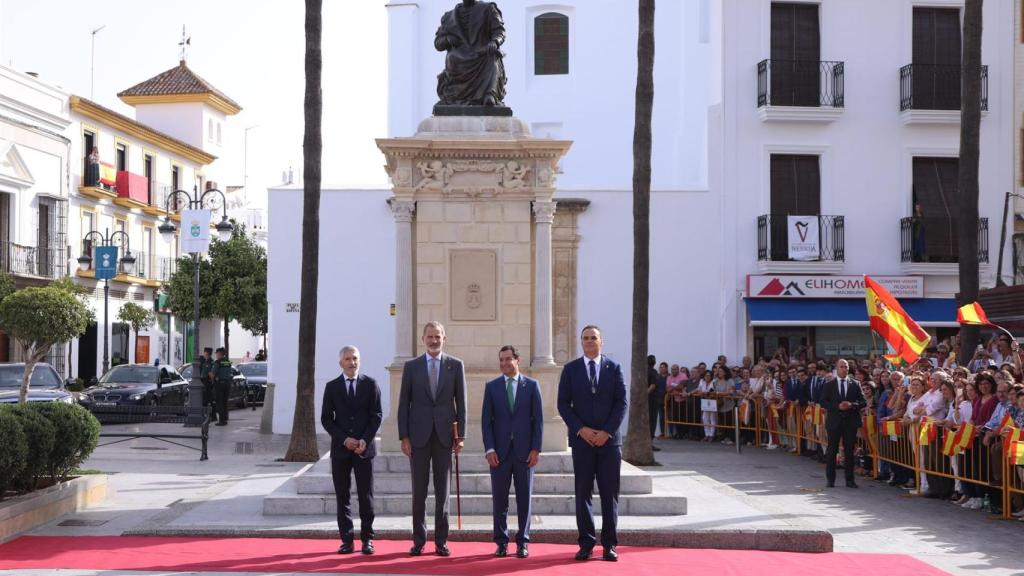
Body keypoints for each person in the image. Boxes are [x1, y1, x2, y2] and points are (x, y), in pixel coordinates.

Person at [557, 325, 626, 562]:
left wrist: (607, 432)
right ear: (581, 342)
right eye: (585, 338)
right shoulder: (571, 370)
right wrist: (581, 429)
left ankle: (609, 545)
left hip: (609, 444)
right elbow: (563, 404)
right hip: (583, 443)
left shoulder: (614, 368)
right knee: (583, 493)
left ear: (601, 342)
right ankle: (586, 543)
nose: (589, 341)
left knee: (609, 495)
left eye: (593, 338)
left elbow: (621, 403)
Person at [397, 322, 467, 557]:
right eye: (430, 336)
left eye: (438, 336)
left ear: (444, 338)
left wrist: (461, 436)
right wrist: (404, 436)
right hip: (418, 437)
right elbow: (403, 405)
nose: (434, 340)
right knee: (419, 491)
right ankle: (419, 540)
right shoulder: (412, 367)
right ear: (423, 338)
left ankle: (441, 541)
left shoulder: (456, 366)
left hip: (445, 437)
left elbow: (462, 405)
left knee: (442, 493)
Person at [481, 345, 542, 559]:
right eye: (501, 360)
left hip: (525, 453)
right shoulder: (492, 387)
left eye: (508, 359)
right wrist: (489, 449)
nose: (504, 363)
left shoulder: (532, 386)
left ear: (518, 360)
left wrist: (536, 448)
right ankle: (501, 542)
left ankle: (523, 542)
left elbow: (538, 421)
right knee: (500, 500)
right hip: (499, 453)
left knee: (524, 499)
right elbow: (486, 422)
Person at [321, 346, 382, 555]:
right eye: (347, 359)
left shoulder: (371, 384)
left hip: (364, 450)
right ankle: (347, 540)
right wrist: (344, 439)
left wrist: (365, 440)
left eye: (355, 358)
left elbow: (376, 416)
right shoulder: (331, 387)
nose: (352, 362)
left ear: (360, 361)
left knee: (366, 496)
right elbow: (326, 419)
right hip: (341, 450)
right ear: (341, 363)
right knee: (343, 496)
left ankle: (368, 539)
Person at [433, 0, 507, 107]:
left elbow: (499, 31)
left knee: (492, 56)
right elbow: (437, 43)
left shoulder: (488, 9)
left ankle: (490, 94)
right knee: (452, 58)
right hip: (459, 58)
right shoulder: (448, 17)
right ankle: (454, 95)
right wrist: (447, 39)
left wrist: (495, 41)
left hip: (482, 53)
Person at [819, 359, 866, 488]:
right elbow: (823, 401)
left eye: (846, 367)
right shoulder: (829, 384)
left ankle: (850, 480)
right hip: (834, 421)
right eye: (841, 367)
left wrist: (851, 405)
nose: (844, 369)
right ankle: (830, 479)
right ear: (836, 368)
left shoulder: (855, 384)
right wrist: (837, 406)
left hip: (850, 422)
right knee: (832, 450)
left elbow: (863, 402)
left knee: (849, 451)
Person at [209, 348, 232, 426]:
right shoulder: (228, 362)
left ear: (219, 354)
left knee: (219, 402)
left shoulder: (217, 362)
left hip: (220, 384)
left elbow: (212, 374)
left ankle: (221, 421)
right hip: (227, 383)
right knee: (225, 402)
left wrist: (212, 379)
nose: (216, 355)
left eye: (216, 353)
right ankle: (225, 418)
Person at [647, 358, 666, 449]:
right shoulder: (653, 372)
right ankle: (649, 443)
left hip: (646, 401)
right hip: (652, 400)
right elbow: (653, 386)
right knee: (652, 421)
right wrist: (646, 394)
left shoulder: (643, 371)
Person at [199, 347, 215, 422]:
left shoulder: (211, 362)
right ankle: (206, 415)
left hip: (207, 382)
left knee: (208, 400)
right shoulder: (203, 361)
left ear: (207, 353)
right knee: (204, 400)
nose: (203, 353)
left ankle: (211, 416)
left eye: (204, 352)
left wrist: (211, 382)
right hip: (202, 381)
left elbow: (211, 373)